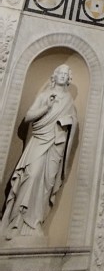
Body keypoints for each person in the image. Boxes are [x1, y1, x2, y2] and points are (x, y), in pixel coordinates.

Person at [0, 64, 77, 240]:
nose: (63, 76)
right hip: (39, 141)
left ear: (68, 78)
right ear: (55, 76)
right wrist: (46, 107)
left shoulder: (69, 101)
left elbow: (72, 124)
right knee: (31, 176)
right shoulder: (44, 96)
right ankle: (16, 221)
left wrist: (69, 122)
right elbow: (28, 117)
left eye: (66, 74)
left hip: (56, 145)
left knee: (47, 183)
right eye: (60, 73)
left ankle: (35, 223)